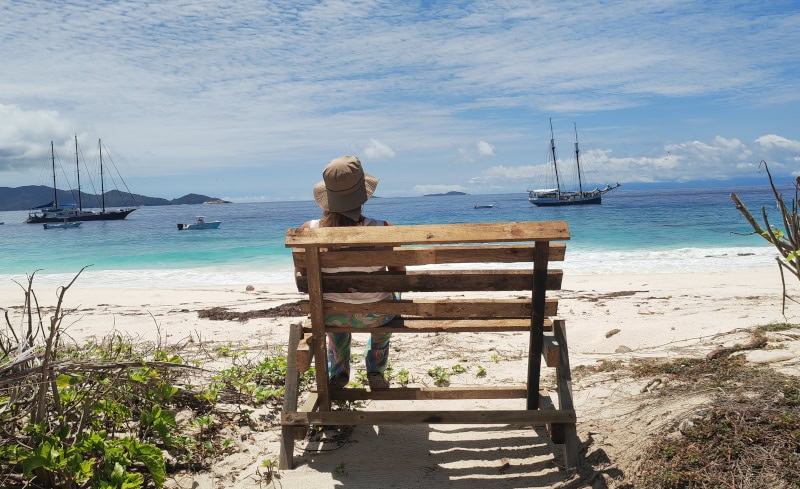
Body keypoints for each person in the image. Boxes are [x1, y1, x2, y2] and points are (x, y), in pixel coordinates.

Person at [300, 155, 402, 390]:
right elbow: (399, 276)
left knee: (335, 306)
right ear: (362, 196)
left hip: (329, 316)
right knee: (390, 301)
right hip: (377, 316)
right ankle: (375, 369)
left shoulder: (309, 231)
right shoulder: (383, 229)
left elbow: (302, 276)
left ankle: (339, 372)